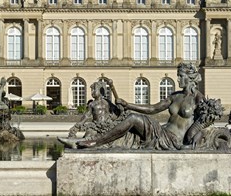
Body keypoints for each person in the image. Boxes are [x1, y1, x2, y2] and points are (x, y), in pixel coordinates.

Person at [77, 62, 205, 150]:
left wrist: (196, 135)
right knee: (128, 121)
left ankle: (96, 141)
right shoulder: (175, 96)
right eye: (178, 76)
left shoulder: (198, 98)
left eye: (180, 76)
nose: (178, 79)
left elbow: (205, 120)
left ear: (190, 77)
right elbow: (153, 109)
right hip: (162, 133)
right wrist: (128, 105)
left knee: (132, 118)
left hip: (174, 140)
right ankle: (99, 140)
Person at [58, 81, 123, 148]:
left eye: (94, 90)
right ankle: (78, 143)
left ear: (101, 91)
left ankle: (79, 143)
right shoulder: (92, 104)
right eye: (92, 90)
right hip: (95, 126)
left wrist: (120, 106)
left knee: (100, 138)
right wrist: (79, 124)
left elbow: (117, 111)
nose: (92, 92)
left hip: (107, 125)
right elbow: (87, 115)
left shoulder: (107, 102)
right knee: (89, 135)